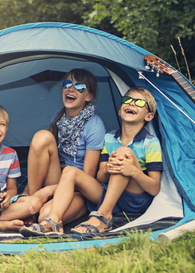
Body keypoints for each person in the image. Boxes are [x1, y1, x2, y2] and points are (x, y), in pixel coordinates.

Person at [21, 87, 162, 236]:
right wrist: (107, 168)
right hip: (107, 194)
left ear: (149, 116)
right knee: (70, 172)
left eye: (139, 102)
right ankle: (54, 221)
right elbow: (100, 177)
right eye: (128, 100)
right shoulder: (110, 137)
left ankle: (103, 216)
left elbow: (154, 188)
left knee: (123, 153)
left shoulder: (150, 143)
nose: (132, 104)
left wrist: (133, 171)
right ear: (120, 110)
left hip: (134, 200)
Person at [24, 69, 106, 196]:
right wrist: (26, 191)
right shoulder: (59, 116)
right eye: (67, 84)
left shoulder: (95, 126)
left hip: (76, 186)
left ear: (89, 96)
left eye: (80, 87)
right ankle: (31, 199)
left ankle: (35, 202)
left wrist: (49, 190)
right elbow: (42, 159)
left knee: (45, 214)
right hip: (57, 174)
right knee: (42, 136)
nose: (71, 89)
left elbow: (87, 179)